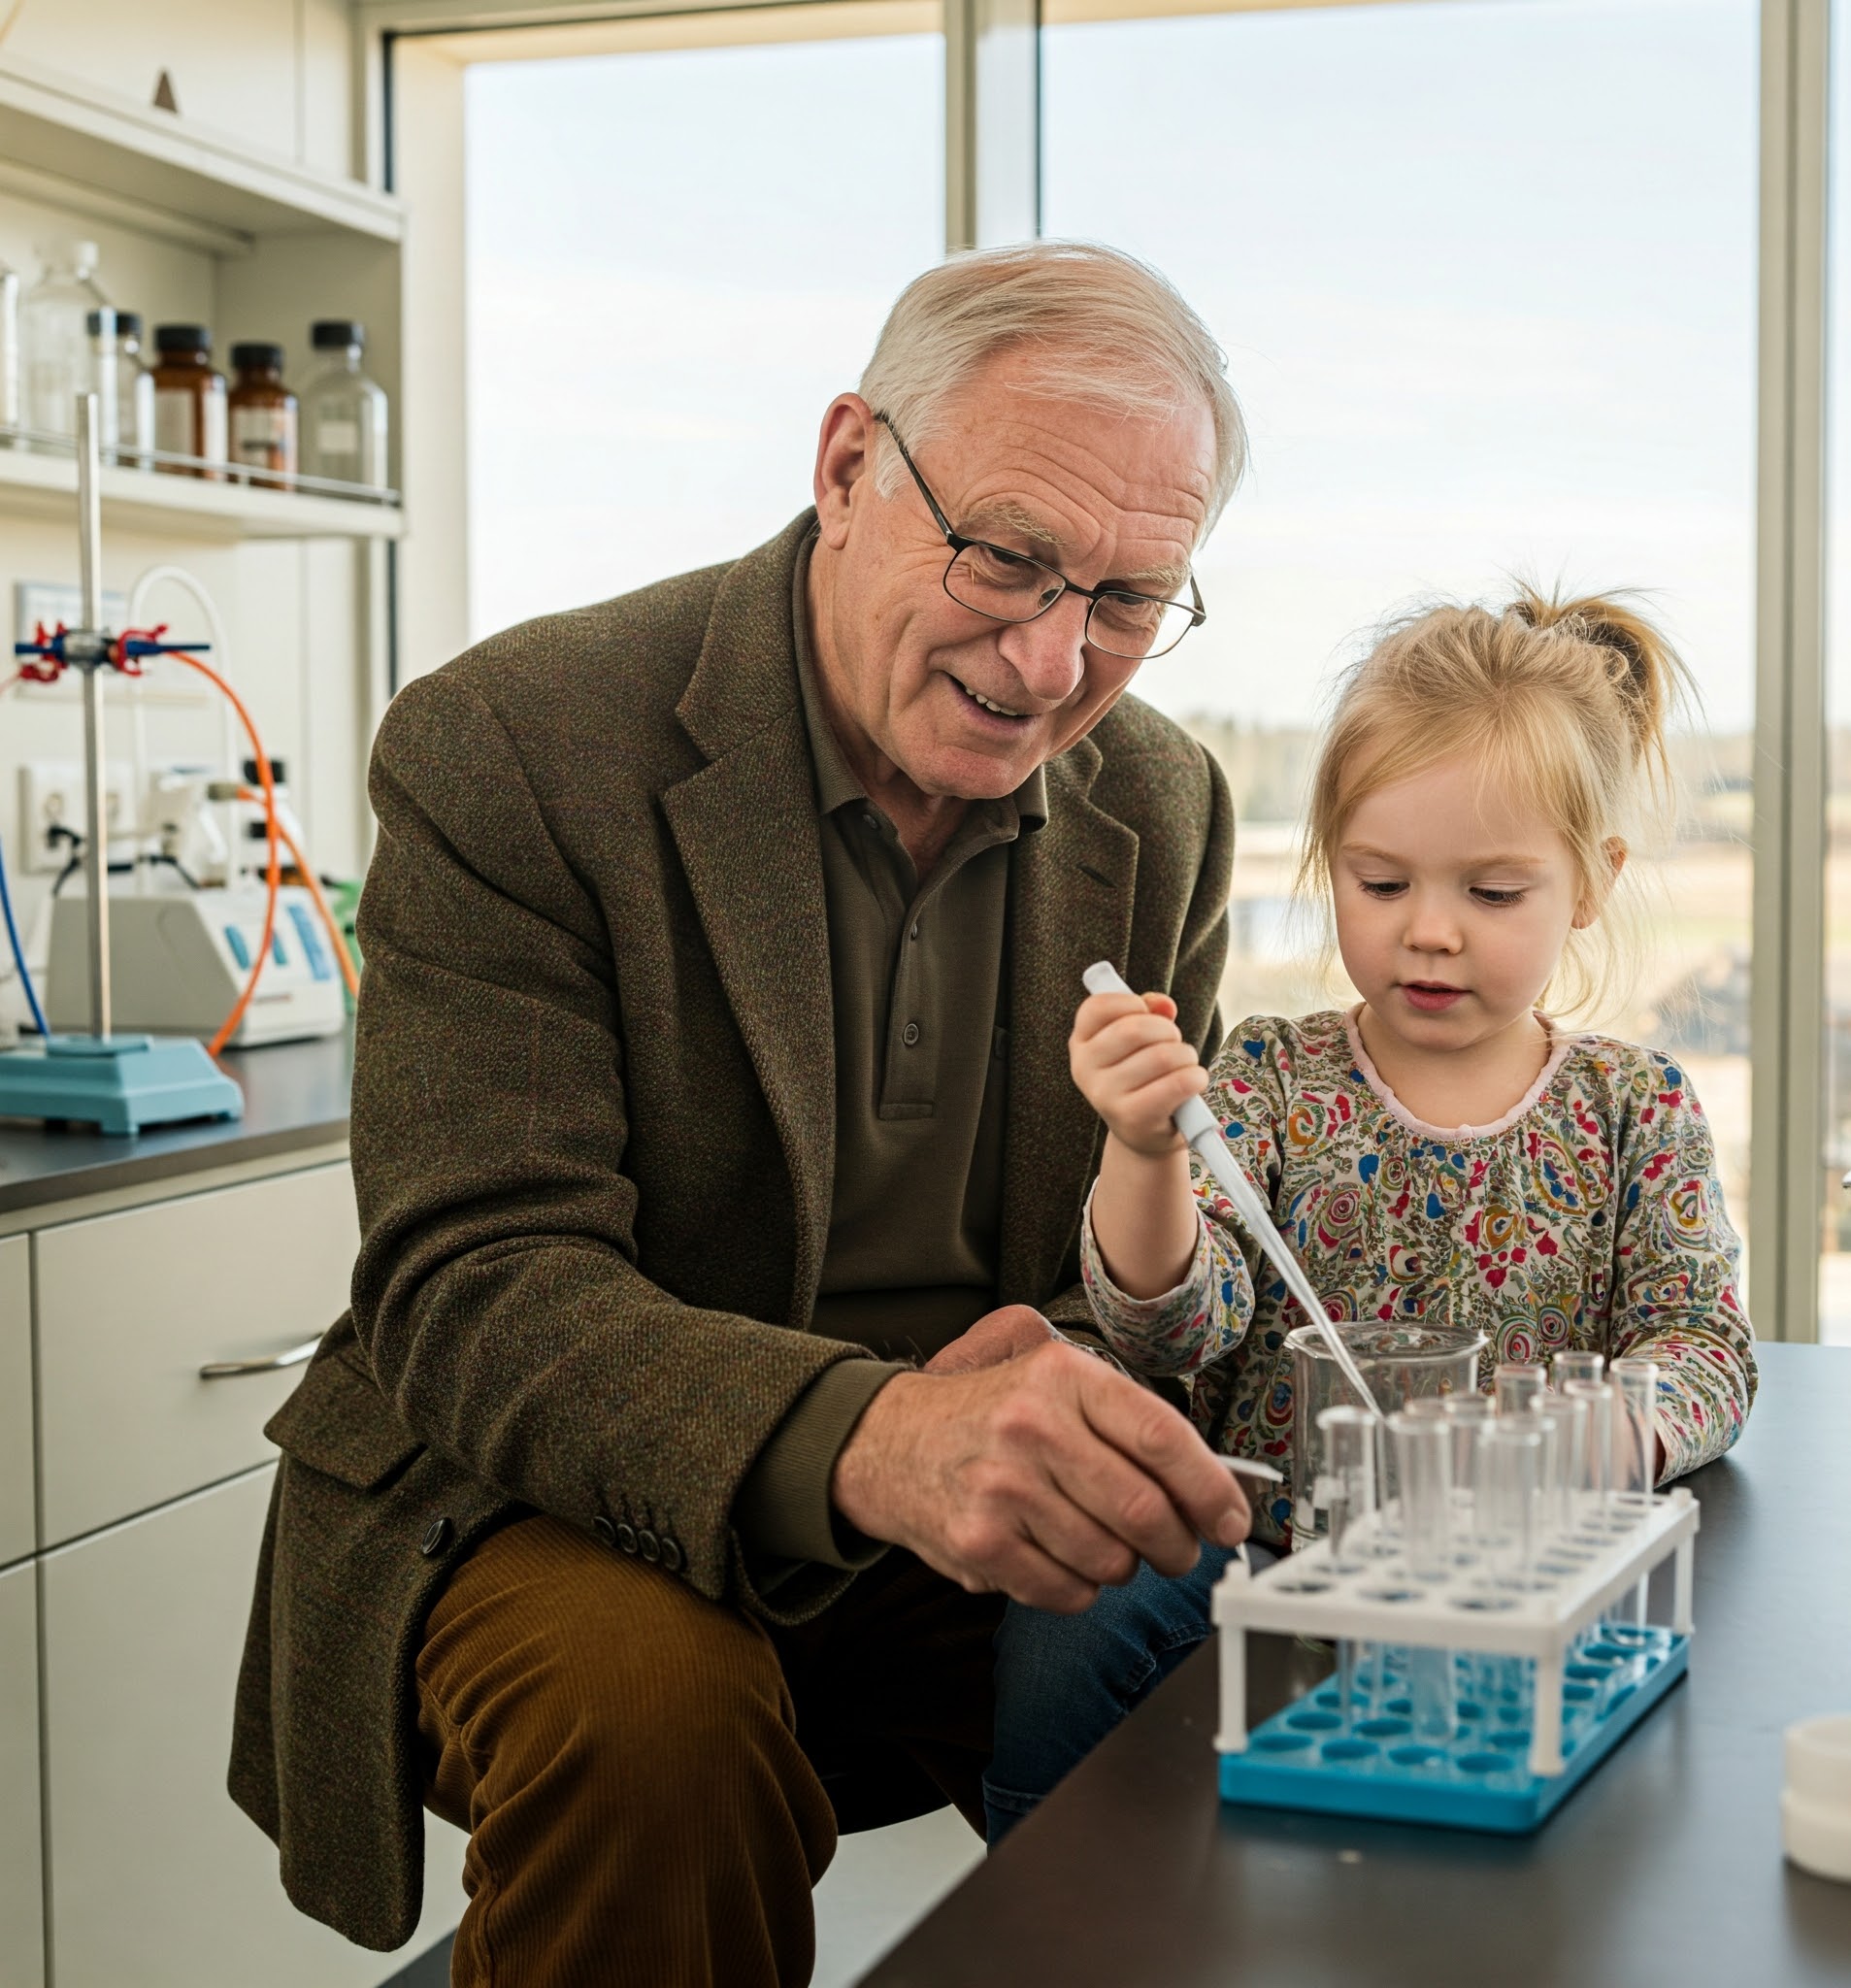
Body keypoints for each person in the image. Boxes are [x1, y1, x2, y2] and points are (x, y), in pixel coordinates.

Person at [227, 241, 1255, 1988]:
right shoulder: (513, 742)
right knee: (654, 1722)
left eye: (1130, 596)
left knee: (1263, 1676)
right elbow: (476, 1287)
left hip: (951, 1527)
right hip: (547, 1491)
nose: (1053, 653)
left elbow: (1128, 1253)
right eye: (1008, 554)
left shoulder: (1160, 799)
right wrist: (876, 1436)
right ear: (848, 462)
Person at [999, 589, 1759, 1812]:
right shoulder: (1267, 1075)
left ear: (1590, 882)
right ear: (1327, 863)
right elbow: (1169, 1330)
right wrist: (1142, 1150)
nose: (1431, 933)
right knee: (1073, 1611)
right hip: (1269, 1565)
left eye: (1492, 892)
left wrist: (1612, 1430)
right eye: (1382, 881)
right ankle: (1036, 1914)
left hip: (1515, 1587)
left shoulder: (1635, 1108)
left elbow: (1704, 1345)